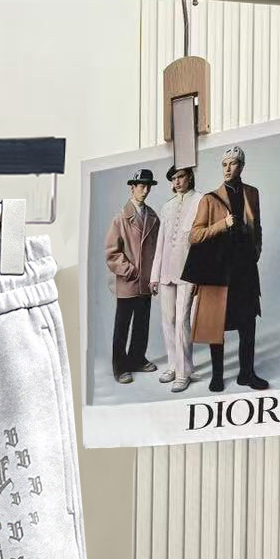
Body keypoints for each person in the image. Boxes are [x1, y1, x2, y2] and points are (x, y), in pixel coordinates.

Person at [182, 144, 268, 393]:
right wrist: (223, 223)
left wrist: (255, 252)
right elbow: (195, 235)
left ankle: (247, 374)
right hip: (218, 270)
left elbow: (257, 227)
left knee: (248, 323)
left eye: (233, 164)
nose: (228, 169)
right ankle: (217, 376)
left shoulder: (252, 193)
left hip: (244, 269)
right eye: (224, 164)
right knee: (216, 322)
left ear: (242, 166)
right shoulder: (209, 199)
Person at [104, 167, 160, 384]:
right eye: (141, 186)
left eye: (148, 187)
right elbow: (112, 253)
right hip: (128, 281)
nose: (145, 191)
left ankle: (137, 359)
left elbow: (158, 249)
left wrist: (154, 275)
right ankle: (120, 367)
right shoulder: (120, 218)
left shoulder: (153, 217)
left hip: (146, 282)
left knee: (142, 323)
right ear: (132, 188)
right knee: (122, 325)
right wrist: (130, 270)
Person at [149, 164, 201, 392]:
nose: (177, 182)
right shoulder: (167, 206)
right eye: (173, 179)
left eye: (180, 177)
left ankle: (183, 372)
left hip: (188, 271)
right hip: (166, 272)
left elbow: (203, 243)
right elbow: (160, 243)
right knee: (168, 320)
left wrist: (199, 274)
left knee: (182, 321)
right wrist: (154, 276)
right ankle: (173, 365)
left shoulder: (201, 200)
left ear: (189, 177)